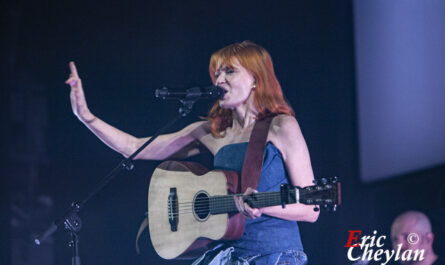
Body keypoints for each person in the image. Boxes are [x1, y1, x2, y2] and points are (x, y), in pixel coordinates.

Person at [65, 41, 319, 265]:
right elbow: (134, 147)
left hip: (273, 255)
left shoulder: (281, 126)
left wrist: (262, 206)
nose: (219, 80)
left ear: (255, 79)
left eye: (230, 71)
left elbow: (311, 209)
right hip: (225, 255)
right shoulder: (210, 132)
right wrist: (86, 117)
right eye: (217, 73)